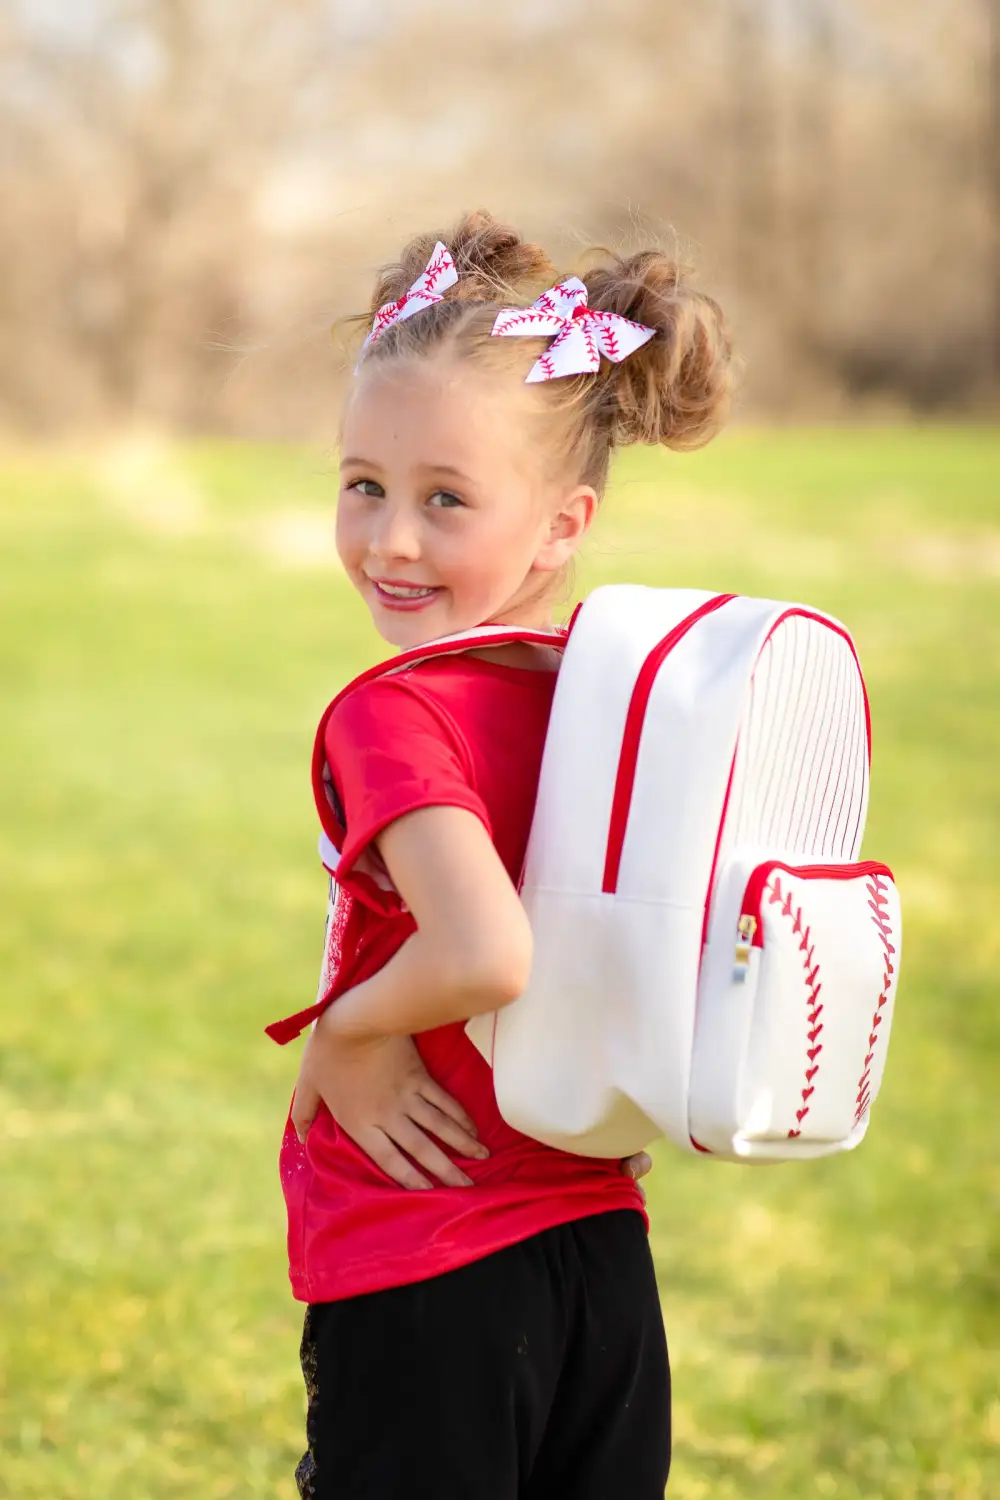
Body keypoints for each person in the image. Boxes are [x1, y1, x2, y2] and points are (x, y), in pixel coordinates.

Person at [268, 209, 735, 1499]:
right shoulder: (605, 694)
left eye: (446, 500)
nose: (392, 540)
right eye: (364, 485)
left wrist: (348, 1032)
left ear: (562, 523)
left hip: (426, 1260)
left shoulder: (395, 710)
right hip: (600, 1254)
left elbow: (483, 951)